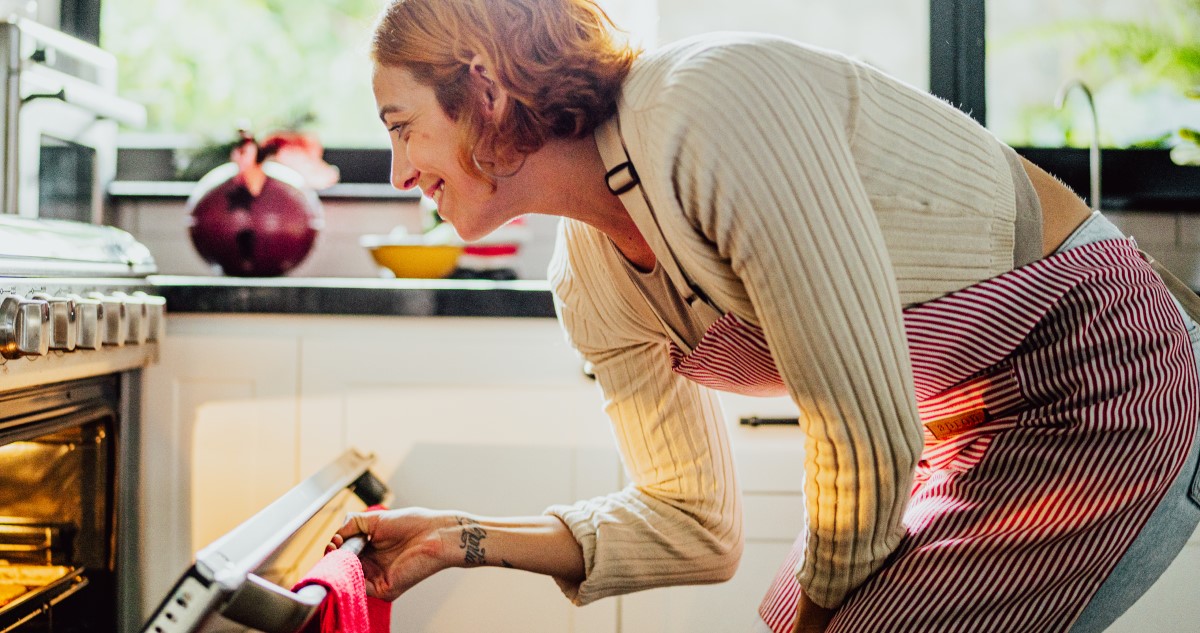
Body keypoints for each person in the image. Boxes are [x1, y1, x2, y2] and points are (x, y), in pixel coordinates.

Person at [329, 0, 1200, 630]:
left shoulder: (708, 104)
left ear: (482, 90)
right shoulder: (590, 281)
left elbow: (863, 430)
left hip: (1106, 386)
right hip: (953, 433)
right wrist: (460, 538)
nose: (400, 171)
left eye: (401, 125)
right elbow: (691, 524)